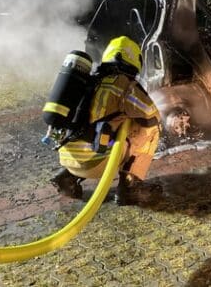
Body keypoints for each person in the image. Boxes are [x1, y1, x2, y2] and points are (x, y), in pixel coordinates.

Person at [50, 36, 161, 205]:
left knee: (90, 130)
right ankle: (129, 187)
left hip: (67, 158)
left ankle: (67, 177)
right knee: (151, 130)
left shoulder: (89, 80)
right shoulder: (122, 84)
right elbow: (151, 115)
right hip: (95, 164)